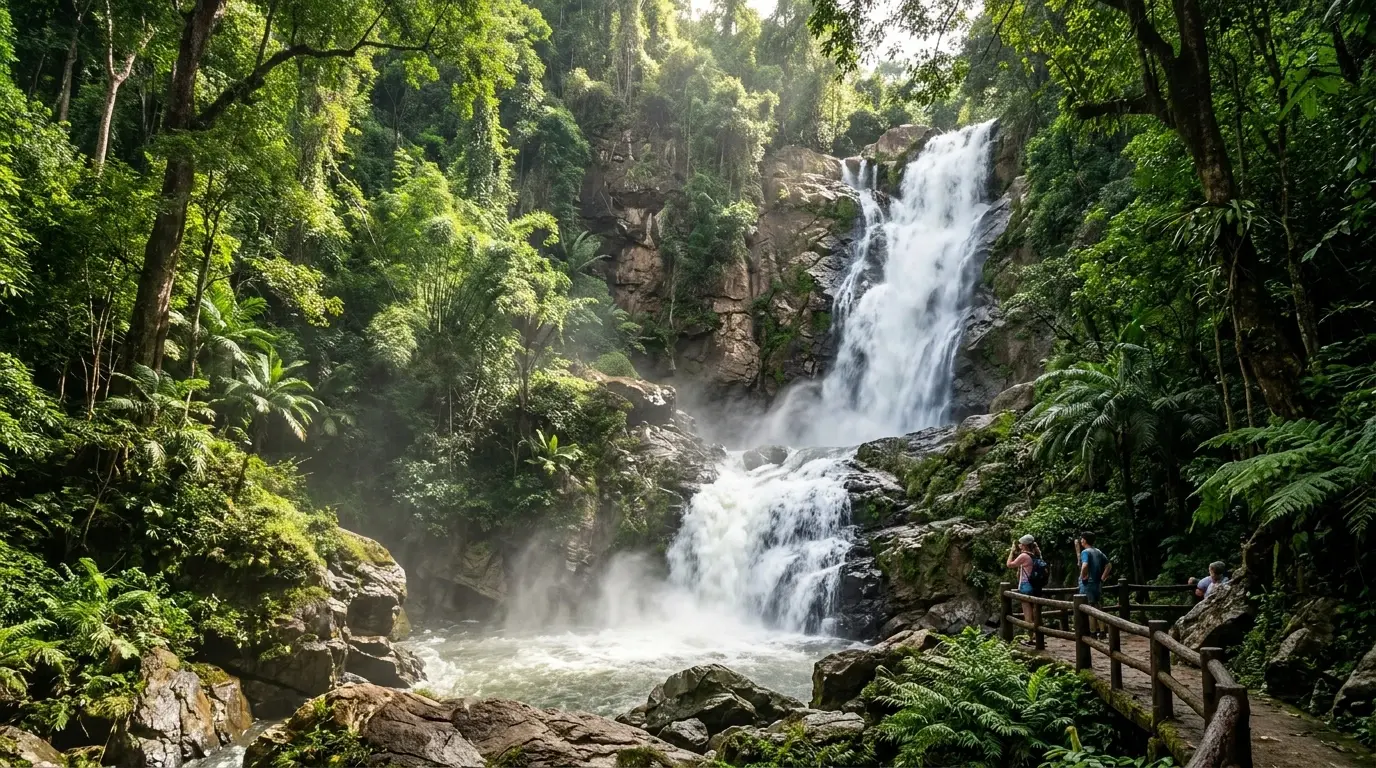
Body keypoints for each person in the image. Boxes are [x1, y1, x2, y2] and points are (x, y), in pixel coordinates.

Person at [1007, 534, 1043, 642]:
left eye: (1021, 544)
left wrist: (1012, 552)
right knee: (1036, 613)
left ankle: (1030, 638)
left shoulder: (1024, 556)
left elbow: (1009, 564)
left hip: (1026, 586)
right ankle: (1038, 637)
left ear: (1024, 545)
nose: (1019, 545)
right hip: (1035, 587)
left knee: (1028, 615)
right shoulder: (1035, 555)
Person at [1075, 532, 1112, 637]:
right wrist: (1102, 578)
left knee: (1090, 607)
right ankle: (1102, 631)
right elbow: (1109, 565)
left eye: (1082, 539)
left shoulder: (1085, 552)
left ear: (1085, 540)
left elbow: (1085, 565)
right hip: (1097, 583)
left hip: (1088, 584)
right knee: (1098, 606)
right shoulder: (1098, 551)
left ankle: (1092, 632)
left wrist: (1083, 576)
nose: (1081, 540)